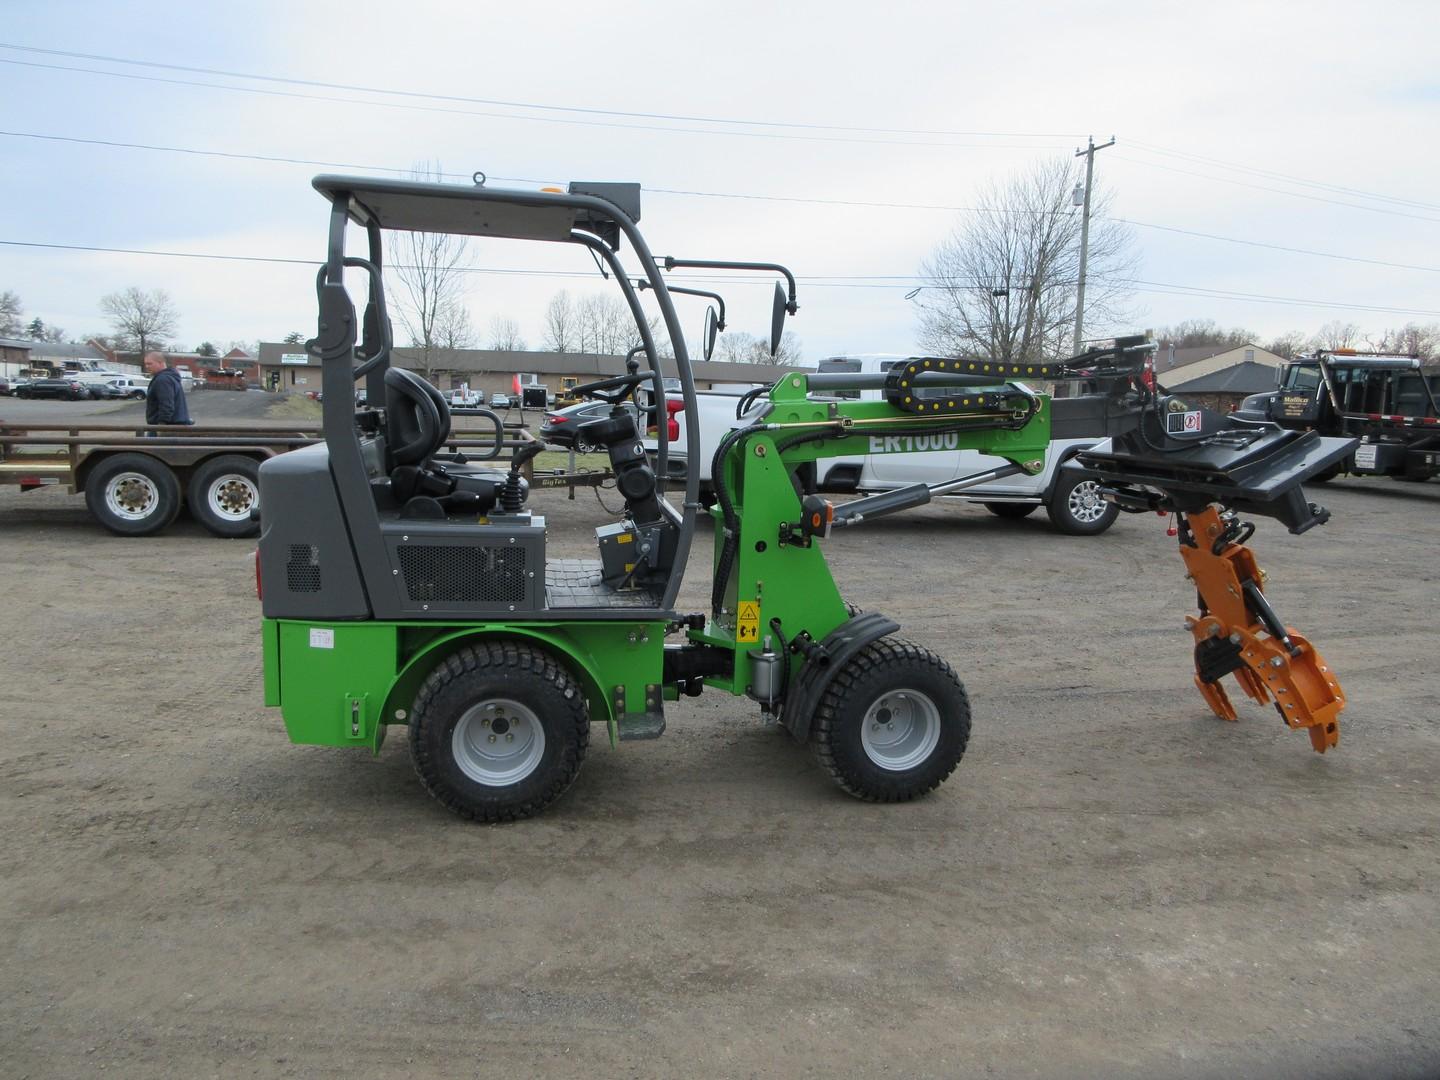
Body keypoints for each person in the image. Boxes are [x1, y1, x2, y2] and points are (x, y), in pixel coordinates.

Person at [144, 353, 193, 427]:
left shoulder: (163, 380)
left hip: (167, 426)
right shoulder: (170, 377)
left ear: (161, 363)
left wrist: (162, 423)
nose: (147, 367)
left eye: (149, 364)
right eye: (146, 364)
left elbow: (166, 404)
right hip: (175, 424)